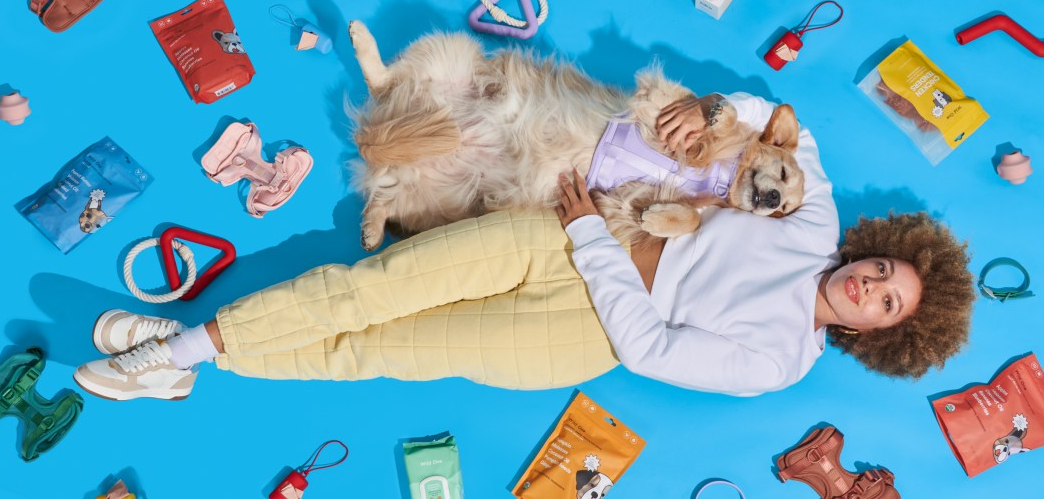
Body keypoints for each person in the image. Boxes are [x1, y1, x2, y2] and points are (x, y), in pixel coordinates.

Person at [72, 92, 975, 400]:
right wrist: (717, 112)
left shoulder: (782, 363)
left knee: (375, 352)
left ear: (880, 336)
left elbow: (652, 351)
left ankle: (188, 364)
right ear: (882, 249)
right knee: (370, 286)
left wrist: (589, 238)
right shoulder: (813, 219)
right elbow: (791, 127)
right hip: (575, 234)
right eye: (887, 272)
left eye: (888, 305)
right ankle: (177, 349)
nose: (872, 287)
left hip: (582, 327)